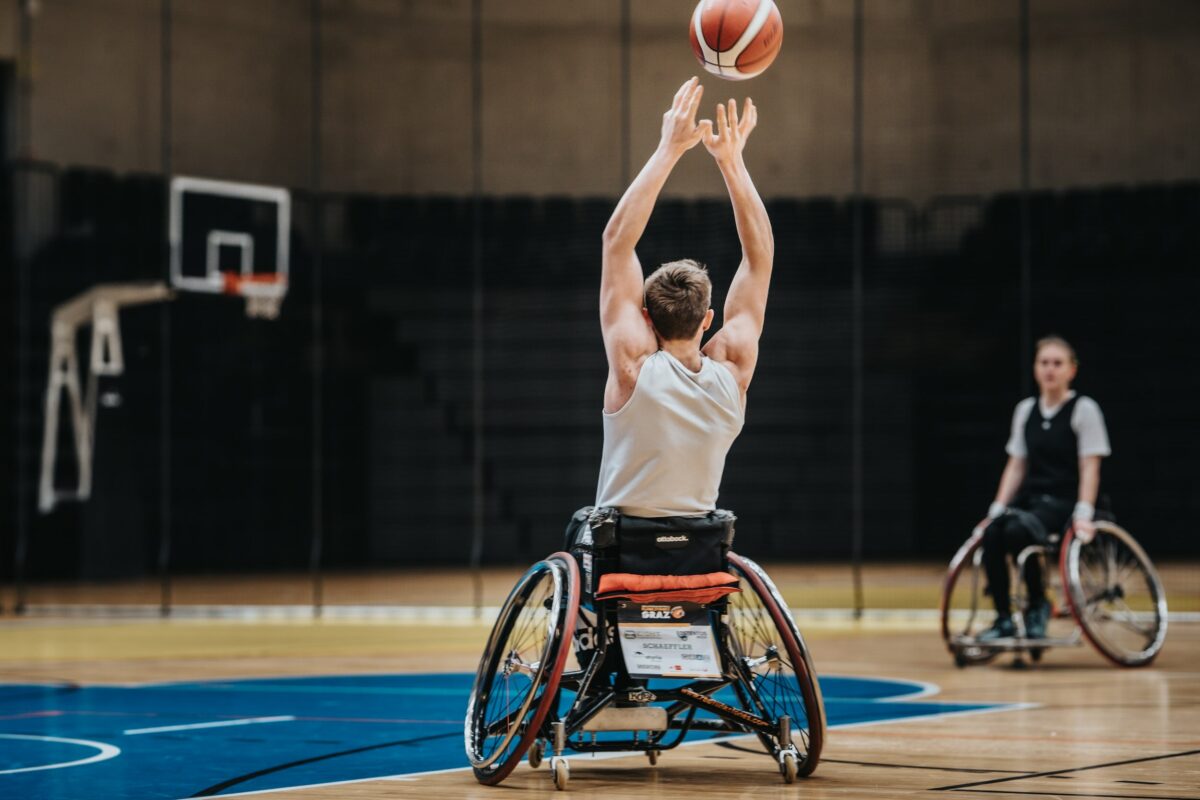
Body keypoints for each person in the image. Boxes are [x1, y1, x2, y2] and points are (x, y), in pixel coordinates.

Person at [594, 76, 771, 519]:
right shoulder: (733, 372)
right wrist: (732, 162)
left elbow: (616, 241)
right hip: (699, 553)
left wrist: (668, 149)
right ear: (708, 319)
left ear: (645, 320)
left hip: (624, 554)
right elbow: (760, 258)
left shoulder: (632, 366)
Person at [976, 336, 1111, 641]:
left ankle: (1038, 604)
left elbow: (1090, 466)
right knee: (994, 532)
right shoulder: (1025, 411)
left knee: (1016, 531)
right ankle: (1003, 618)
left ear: (1071, 370)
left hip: (1066, 502)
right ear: (1036, 369)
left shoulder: (1083, 409)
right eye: (1044, 363)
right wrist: (997, 507)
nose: (1050, 369)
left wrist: (1084, 511)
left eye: (1057, 363)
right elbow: (1016, 465)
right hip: (1033, 502)